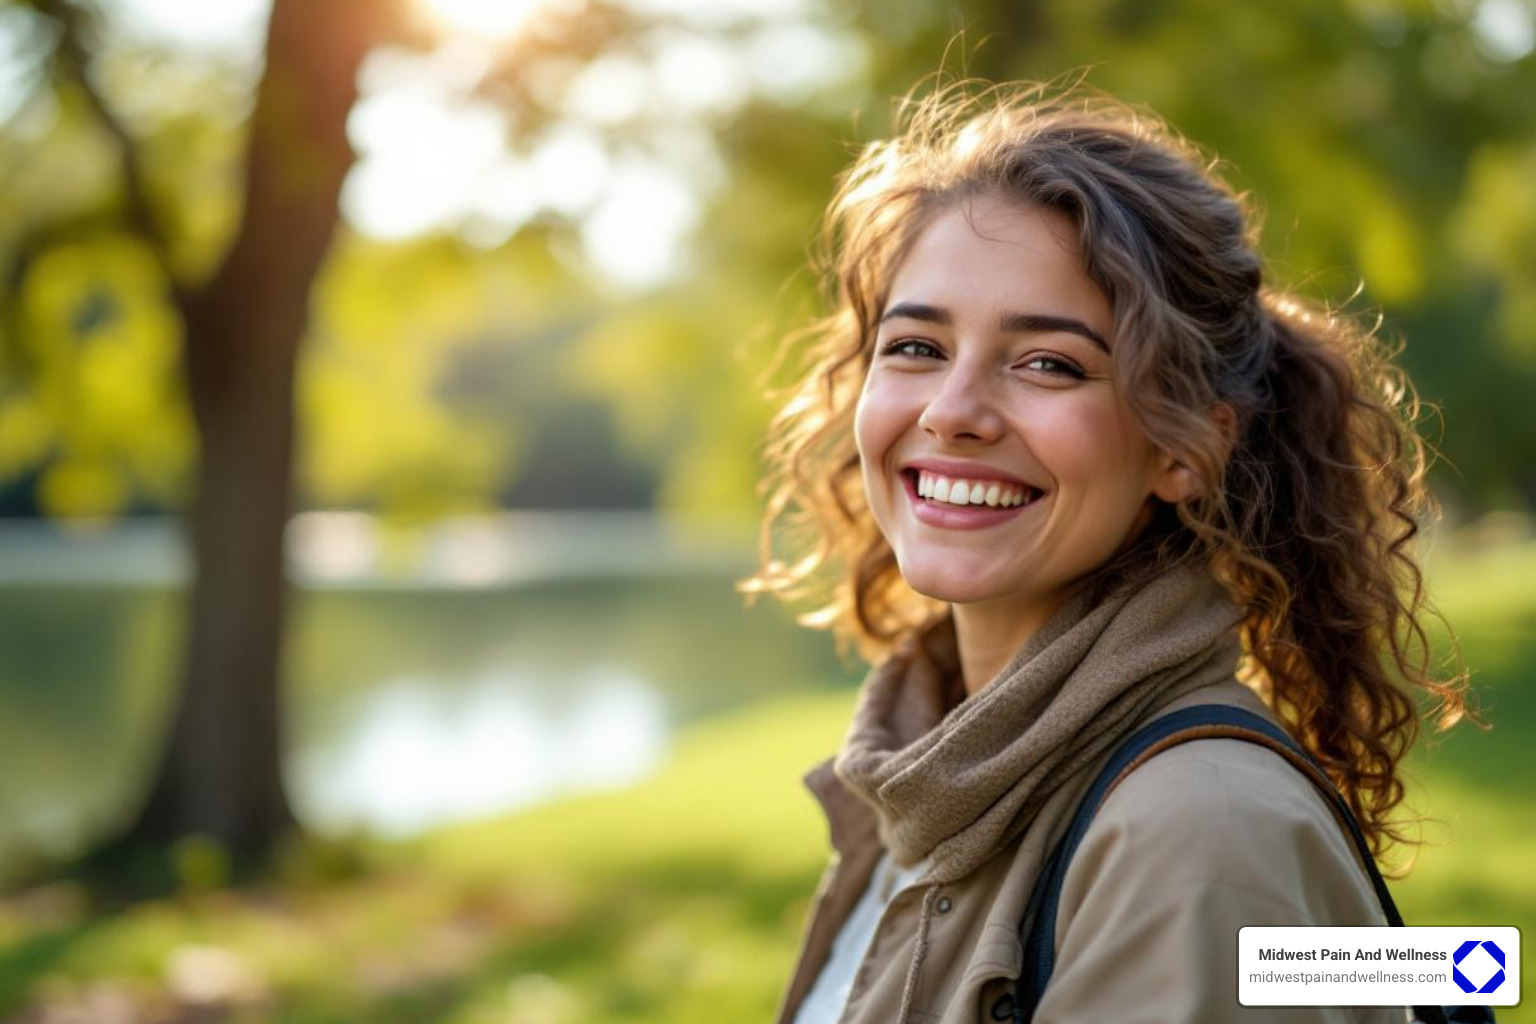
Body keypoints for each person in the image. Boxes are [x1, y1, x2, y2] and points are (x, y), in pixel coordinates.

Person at [740, 81, 1474, 1024]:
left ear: (1183, 448)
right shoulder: (935, 778)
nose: (950, 412)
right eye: (916, 345)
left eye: (1048, 363)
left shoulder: (1196, 836)